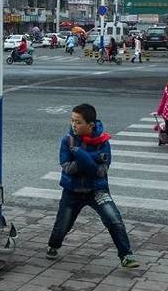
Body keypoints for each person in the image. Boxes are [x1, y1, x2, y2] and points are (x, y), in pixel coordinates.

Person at [46, 103, 140, 268]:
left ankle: (126, 255)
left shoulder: (103, 142)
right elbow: (67, 167)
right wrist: (90, 158)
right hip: (72, 191)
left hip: (97, 189)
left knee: (114, 219)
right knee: (62, 224)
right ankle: (54, 245)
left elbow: (101, 171)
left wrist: (80, 155)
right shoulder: (67, 140)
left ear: (90, 125)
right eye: (72, 120)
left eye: (78, 122)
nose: (74, 125)